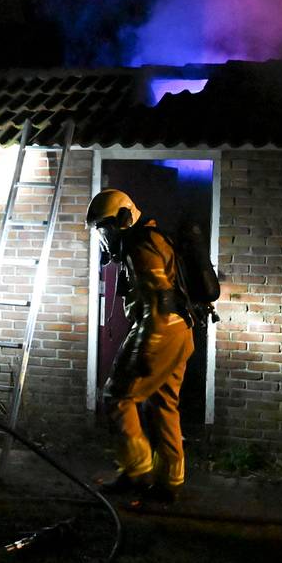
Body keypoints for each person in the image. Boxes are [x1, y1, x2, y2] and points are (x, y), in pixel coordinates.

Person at [86, 188, 195, 503]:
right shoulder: (153, 238)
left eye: (105, 228)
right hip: (180, 331)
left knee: (118, 396)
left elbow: (157, 298)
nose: (104, 236)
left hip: (160, 329)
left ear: (122, 219)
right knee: (163, 404)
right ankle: (169, 481)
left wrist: (147, 345)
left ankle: (136, 471)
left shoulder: (140, 246)